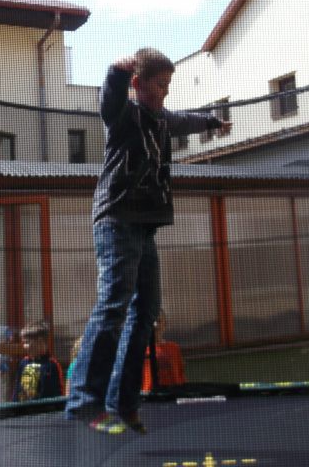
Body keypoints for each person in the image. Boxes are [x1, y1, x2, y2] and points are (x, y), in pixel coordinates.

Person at [65, 48, 231, 435]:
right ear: (139, 84)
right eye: (160, 85)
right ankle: (83, 402)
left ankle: (122, 402)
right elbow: (109, 101)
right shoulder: (125, 115)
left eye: (169, 85)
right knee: (114, 305)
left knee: (147, 311)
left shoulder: (160, 119)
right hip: (117, 218)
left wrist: (211, 121)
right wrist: (116, 72)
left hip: (143, 225)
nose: (166, 92)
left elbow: (184, 120)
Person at [12, 321, 64, 402]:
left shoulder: (51, 365)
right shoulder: (24, 362)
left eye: (27, 342)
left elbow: (57, 392)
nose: (24, 346)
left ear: (40, 342)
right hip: (23, 407)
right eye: (24, 343)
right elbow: (17, 389)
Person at [142, 309, 186, 392]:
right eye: (152, 322)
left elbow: (180, 373)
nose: (155, 326)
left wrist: (182, 390)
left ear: (165, 324)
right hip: (150, 394)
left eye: (159, 321)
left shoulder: (174, 348)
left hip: (173, 393)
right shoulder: (141, 349)